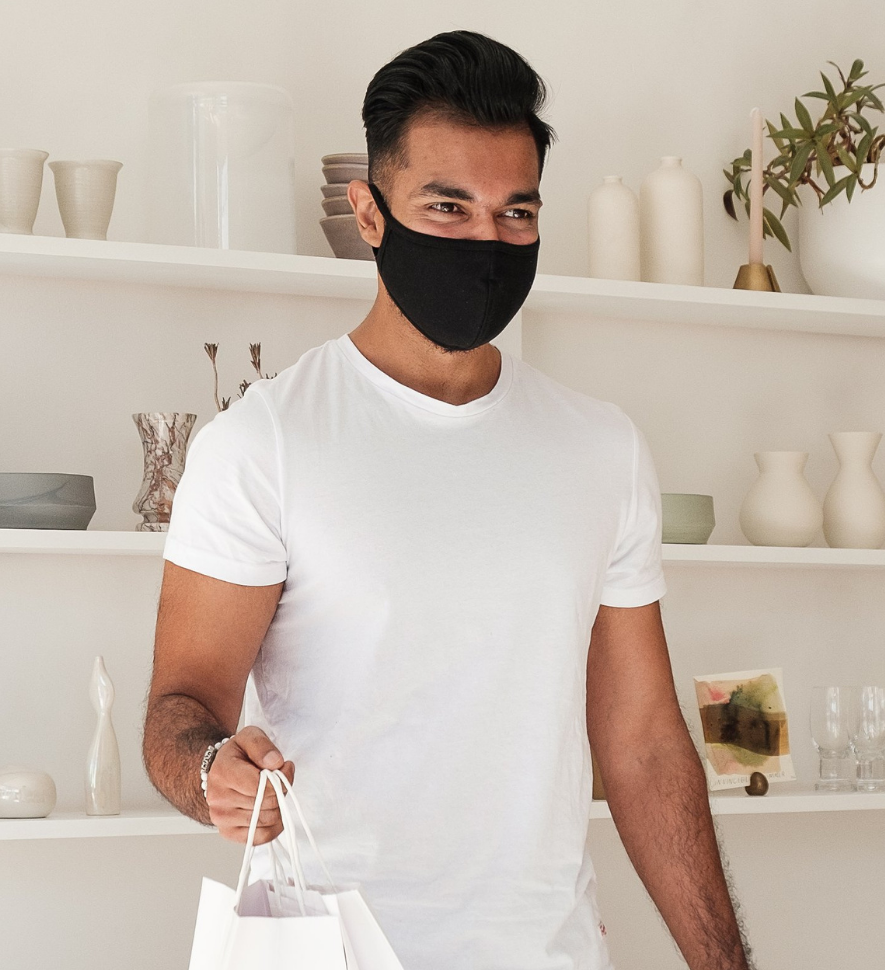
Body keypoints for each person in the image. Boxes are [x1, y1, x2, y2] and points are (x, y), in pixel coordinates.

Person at [144, 30, 753, 970]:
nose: (486, 241)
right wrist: (208, 771)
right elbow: (181, 705)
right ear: (369, 212)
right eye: (448, 207)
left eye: (517, 214)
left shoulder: (600, 450)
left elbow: (642, 747)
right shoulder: (263, 445)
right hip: (335, 949)